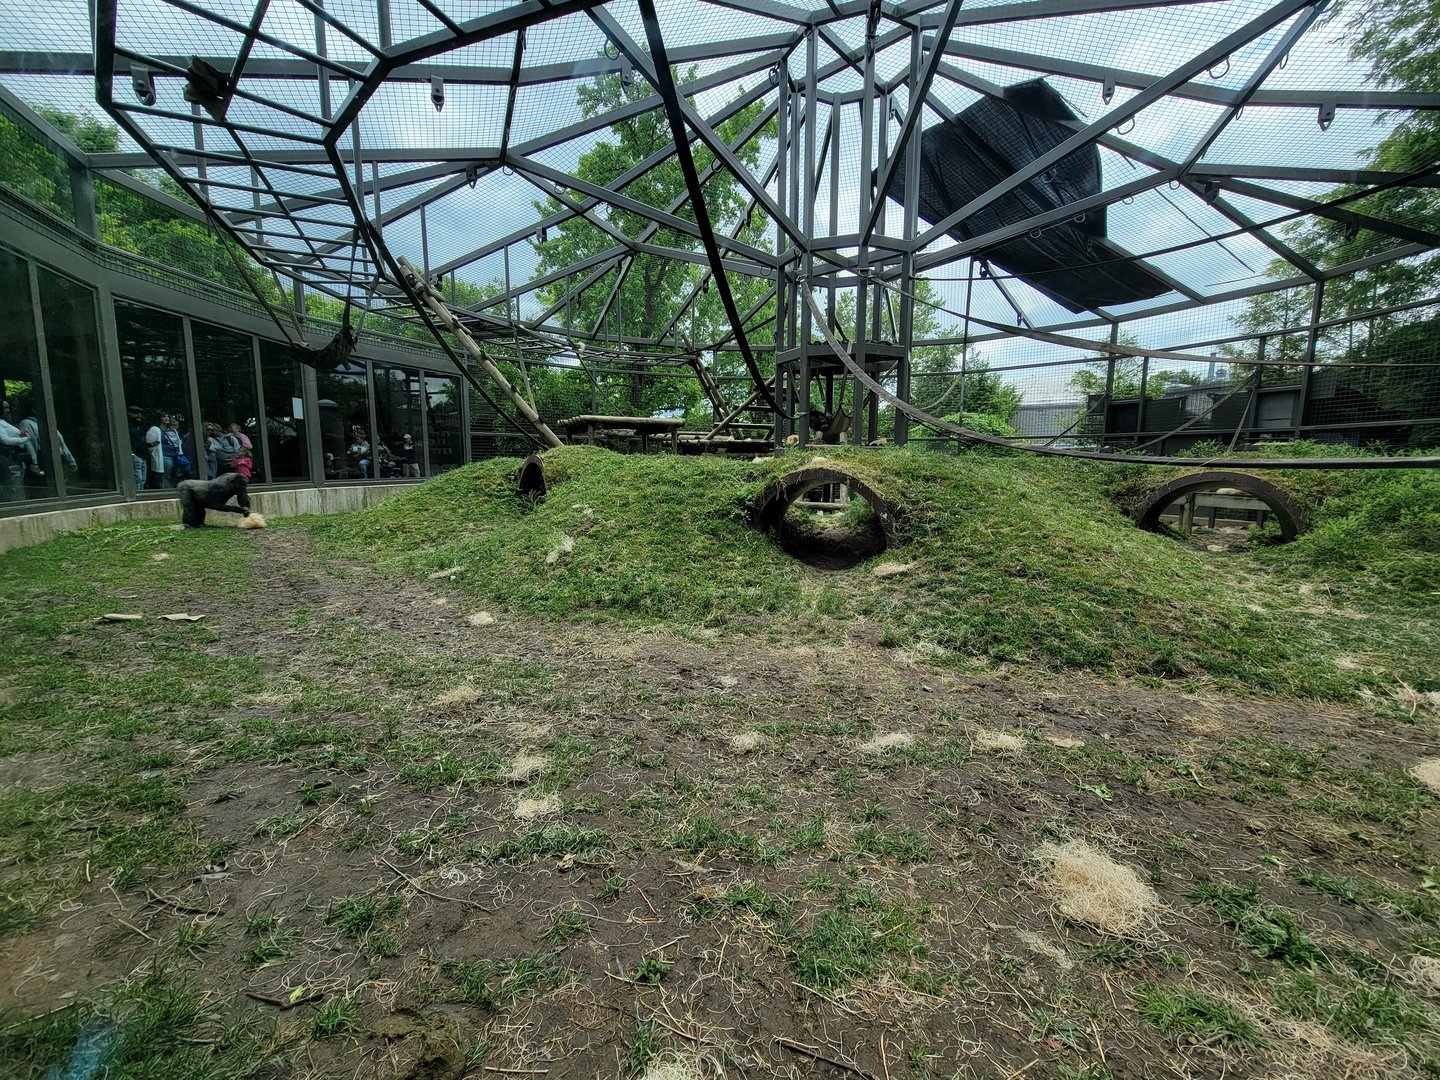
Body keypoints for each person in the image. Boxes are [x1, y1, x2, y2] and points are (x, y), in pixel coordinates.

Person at [158, 414, 184, 487]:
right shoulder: (158, 430)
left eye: (167, 416)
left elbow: (178, 442)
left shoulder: (173, 429)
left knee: (176, 475)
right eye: (164, 416)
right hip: (166, 455)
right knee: (166, 475)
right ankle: (166, 492)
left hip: (176, 455)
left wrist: (180, 453)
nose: (167, 418)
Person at [127, 404, 148, 490]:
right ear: (130, 414)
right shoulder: (129, 427)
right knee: (138, 479)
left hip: (142, 455)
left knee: (143, 479)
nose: (139, 415)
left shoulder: (140, 427)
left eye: (140, 413)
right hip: (135, 454)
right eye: (136, 413)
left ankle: (141, 493)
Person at [145, 414, 163, 489]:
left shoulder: (154, 430)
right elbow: (151, 445)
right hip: (156, 459)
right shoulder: (155, 429)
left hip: (156, 459)